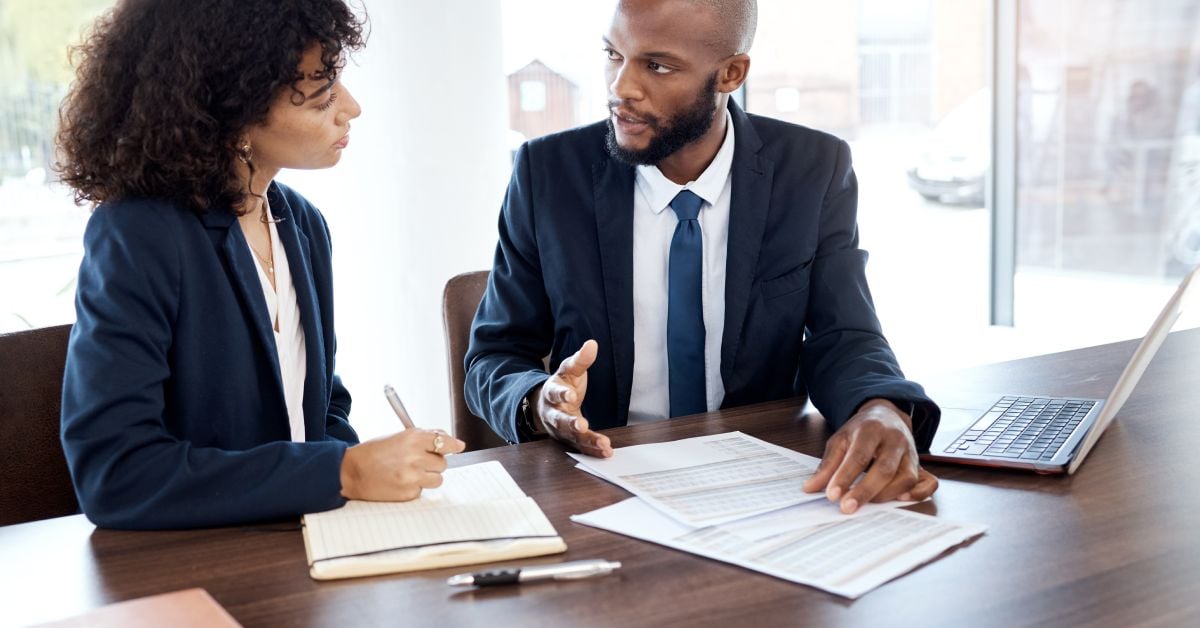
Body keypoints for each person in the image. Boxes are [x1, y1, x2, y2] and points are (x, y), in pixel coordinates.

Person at [465, 0, 939, 514]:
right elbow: (495, 355)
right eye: (613, 55)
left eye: (657, 65)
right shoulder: (548, 173)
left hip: (763, 478)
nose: (620, 87)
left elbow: (844, 333)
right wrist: (539, 402)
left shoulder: (814, 169)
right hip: (601, 479)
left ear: (731, 73)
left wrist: (881, 406)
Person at [56, 0, 464, 530]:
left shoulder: (304, 225)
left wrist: (374, 474)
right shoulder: (140, 235)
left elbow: (320, 411)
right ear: (236, 111)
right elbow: (115, 474)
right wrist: (343, 472)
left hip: (301, 550)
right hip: (198, 573)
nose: (351, 108)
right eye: (321, 94)